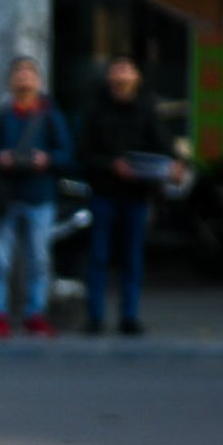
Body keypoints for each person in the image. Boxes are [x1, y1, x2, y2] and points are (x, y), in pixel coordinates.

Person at [76, 53, 182, 336]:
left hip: (137, 195)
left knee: (132, 258)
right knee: (98, 257)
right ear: (109, 76)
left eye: (127, 70)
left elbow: (164, 145)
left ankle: (129, 316)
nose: (122, 76)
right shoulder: (96, 110)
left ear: (137, 77)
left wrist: (173, 164)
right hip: (104, 193)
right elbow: (84, 153)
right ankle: (95, 317)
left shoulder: (147, 109)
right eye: (117, 70)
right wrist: (112, 165)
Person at [0, 56, 74, 338]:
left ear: (39, 81)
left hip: (39, 196)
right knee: (0, 260)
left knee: (39, 260)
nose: (24, 79)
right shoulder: (2, 115)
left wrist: (47, 159)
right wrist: (1, 158)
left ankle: (35, 314)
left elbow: (66, 155)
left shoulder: (50, 116)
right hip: (5, 198)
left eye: (29, 74)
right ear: (10, 81)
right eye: (18, 73)